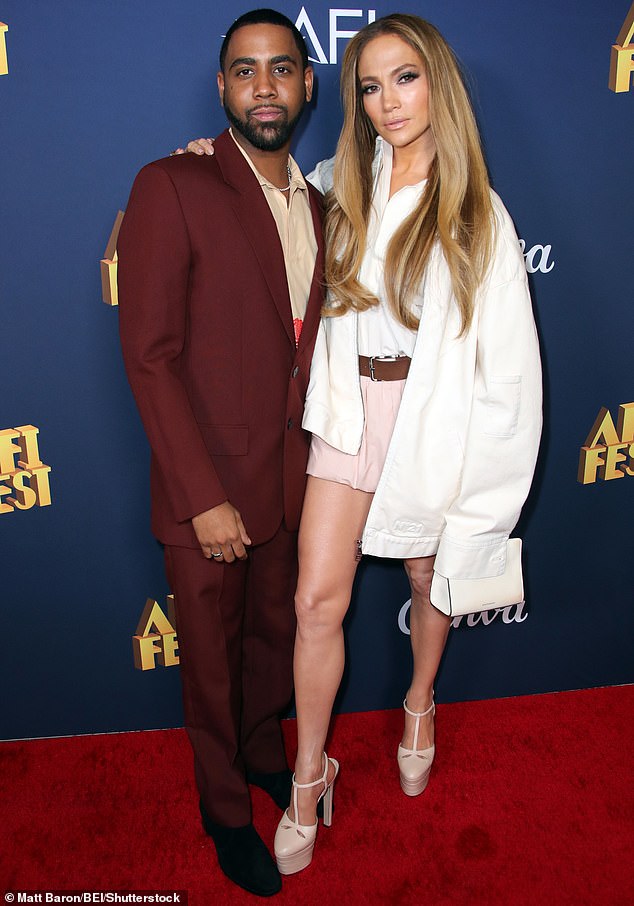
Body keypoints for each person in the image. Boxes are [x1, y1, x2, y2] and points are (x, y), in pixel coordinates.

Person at [180, 10, 542, 879]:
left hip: (434, 422)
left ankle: (419, 702)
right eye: (370, 86)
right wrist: (209, 164)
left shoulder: (476, 210)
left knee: (428, 577)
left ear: (438, 83)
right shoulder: (339, 180)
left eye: (405, 78)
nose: (388, 102)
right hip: (346, 415)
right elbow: (265, 201)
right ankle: (311, 772)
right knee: (315, 603)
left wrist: (486, 500)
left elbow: (512, 373)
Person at [117, 9, 324, 898]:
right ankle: (224, 812)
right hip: (205, 491)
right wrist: (202, 495)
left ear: (307, 86)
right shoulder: (172, 183)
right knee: (208, 659)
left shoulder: (323, 205)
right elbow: (150, 355)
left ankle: (262, 759)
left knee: (272, 645)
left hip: (291, 481)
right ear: (222, 88)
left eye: (282, 70)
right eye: (246, 71)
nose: (265, 87)